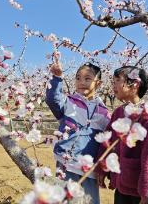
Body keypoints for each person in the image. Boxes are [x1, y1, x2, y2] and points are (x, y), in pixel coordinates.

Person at [46, 59, 111, 204]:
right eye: (78, 78)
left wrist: (103, 168)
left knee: (89, 200)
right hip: (66, 162)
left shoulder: (104, 112)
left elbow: (108, 141)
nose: (81, 82)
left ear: (98, 83)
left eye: (87, 78)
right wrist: (56, 78)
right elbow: (53, 99)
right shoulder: (68, 102)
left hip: (89, 168)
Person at [96, 66, 148, 204]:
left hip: (137, 187)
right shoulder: (118, 112)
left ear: (135, 84)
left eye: (117, 81)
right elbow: (107, 142)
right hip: (121, 184)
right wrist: (102, 169)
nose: (113, 86)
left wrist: (146, 190)